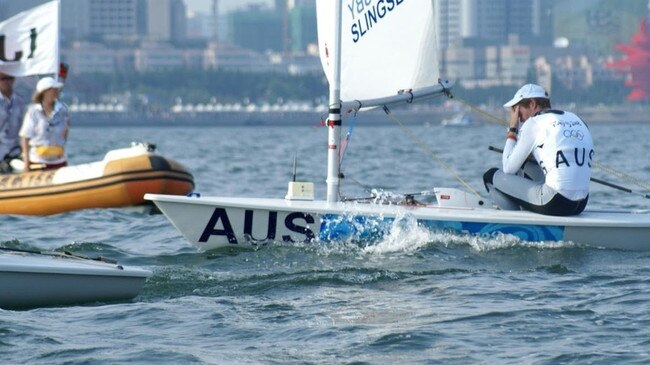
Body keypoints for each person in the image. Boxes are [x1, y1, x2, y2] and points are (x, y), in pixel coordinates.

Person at [483, 84, 594, 216]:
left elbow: (508, 168)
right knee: (526, 164)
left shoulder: (534, 123)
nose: (519, 118)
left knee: (490, 176)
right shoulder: (576, 119)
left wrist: (512, 129)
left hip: (555, 202)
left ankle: (515, 221)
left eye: (517, 110)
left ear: (532, 104)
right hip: (581, 203)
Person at [20, 77, 70, 171]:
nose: (56, 92)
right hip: (38, 160)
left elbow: (66, 132)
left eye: (56, 89)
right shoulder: (33, 112)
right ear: (44, 92)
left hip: (58, 160)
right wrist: (26, 163)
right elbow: (25, 137)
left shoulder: (62, 110)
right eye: (53, 89)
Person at [0, 72, 26, 172]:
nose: (6, 82)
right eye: (3, 79)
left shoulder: (19, 101)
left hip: (15, 151)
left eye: (9, 78)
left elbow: (24, 128)